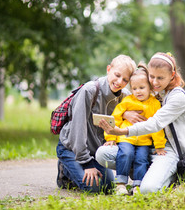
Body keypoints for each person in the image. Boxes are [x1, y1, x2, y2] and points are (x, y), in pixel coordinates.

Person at [96, 52, 185, 194]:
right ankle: (144, 174)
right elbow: (129, 103)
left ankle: (170, 174)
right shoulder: (152, 91)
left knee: (147, 190)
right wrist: (125, 114)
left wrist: (123, 131)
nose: (154, 82)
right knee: (102, 154)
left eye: (160, 78)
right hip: (145, 144)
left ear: (172, 75)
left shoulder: (177, 96)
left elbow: (155, 123)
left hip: (167, 150)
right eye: (152, 77)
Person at [56, 55, 136, 193]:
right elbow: (77, 129)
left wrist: (125, 113)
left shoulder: (125, 97)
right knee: (94, 187)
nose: (119, 82)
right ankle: (65, 170)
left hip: (95, 152)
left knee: (109, 187)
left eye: (125, 79)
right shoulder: (90, 90)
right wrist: (87, 164)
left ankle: (79, 167)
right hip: (72, 148)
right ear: (108, 69)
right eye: (117, 75)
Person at [103, 63, 167, 195]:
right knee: (126, 154)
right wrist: (111, 137)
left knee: (141, 159)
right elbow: (115, 118)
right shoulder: (127, 101)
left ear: (150, 88)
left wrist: (159, 145)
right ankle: (120, 184)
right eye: (134, 88)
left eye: (142, 87)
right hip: (126, 137)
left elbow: (157, 126)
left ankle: (137, 185)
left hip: (144, 140)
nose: (138, 91)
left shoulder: (154, 104)